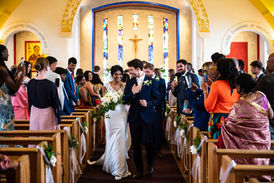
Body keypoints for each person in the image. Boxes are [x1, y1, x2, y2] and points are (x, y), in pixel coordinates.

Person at [220, 73, 272, 181]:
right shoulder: (261, 95)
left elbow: (229, 126)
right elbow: (271, 115)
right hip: (263, 141)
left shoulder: (238, 105)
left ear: (239, 87)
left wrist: (223, 124)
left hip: (247, 145)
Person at [87, 65, 131, 180]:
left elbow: (127, 99)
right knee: (111, 138)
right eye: (116, 74)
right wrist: (107, 103)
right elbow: (103, 100)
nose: (118, 76)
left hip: (121, 114)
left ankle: (119, 168)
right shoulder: (106, 86)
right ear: (112, 75)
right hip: (110, 115)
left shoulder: (125, 86)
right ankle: (111, 161)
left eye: (120, 74)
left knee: (120, 139)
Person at [123, 59, 161, 179]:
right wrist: (133, 93)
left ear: (138, 69)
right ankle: (139, 170)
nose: (130, 72)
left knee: (148, 143)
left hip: (147, 117)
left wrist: (148, 104)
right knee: (136, 145)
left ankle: (150, 165)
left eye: (131, 70)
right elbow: (125, 99)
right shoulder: (130, 82)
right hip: (134, 117)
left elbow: (157, 99)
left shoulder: (151, 81)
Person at [202, 58, 240, 139]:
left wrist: (205, 91)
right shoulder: (238, 84)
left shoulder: (217, 85)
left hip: (219, 119)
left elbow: (209, 107)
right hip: (234, 119)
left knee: (216, 147)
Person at [27, 57, 60, 130]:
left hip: (34, 114)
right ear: (47, 68)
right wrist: (58, 121)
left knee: (35, 138)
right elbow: (56, 104)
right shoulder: (51, 85)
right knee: (47, 138)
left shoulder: (30, 83)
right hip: (48, 115)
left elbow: (29, 101)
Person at [0, 44, 26, 130]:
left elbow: (8, 82)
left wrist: (17, 71)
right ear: (2, 53)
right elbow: (14, 88)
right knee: (5, 126)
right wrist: (23, 75)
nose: (8, 54)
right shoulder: (2, 69)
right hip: (3, 103)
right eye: (7, 52)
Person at [144, 64, 166, 158]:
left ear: (153, 71)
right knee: (148, 130)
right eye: (145, 72)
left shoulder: (161, 81)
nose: (146, 74)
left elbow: (161, 95)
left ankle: (157, 149)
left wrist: (152, 104)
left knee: (157, 130)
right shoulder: (144, 80)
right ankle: (149, 150)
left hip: (156, 109)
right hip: (146, 109)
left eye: (148, 72)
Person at [256, 58, 274, 140]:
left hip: (269, 118)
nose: (267, 64)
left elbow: (257, 95)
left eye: (268, 61)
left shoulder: (266, 80)